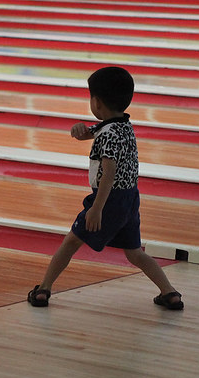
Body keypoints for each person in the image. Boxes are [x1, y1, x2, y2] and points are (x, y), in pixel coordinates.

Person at [27, 66, 184, 310]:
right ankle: (170, 293)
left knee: (71, 242)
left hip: (107, 199)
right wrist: (80, 130)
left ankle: (43, 289)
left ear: (97, 102)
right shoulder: (123, 126)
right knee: (134, 253)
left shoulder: (107, 134)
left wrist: (97, 209)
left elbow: (108, 173)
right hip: (129, 199)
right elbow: (98, 133)